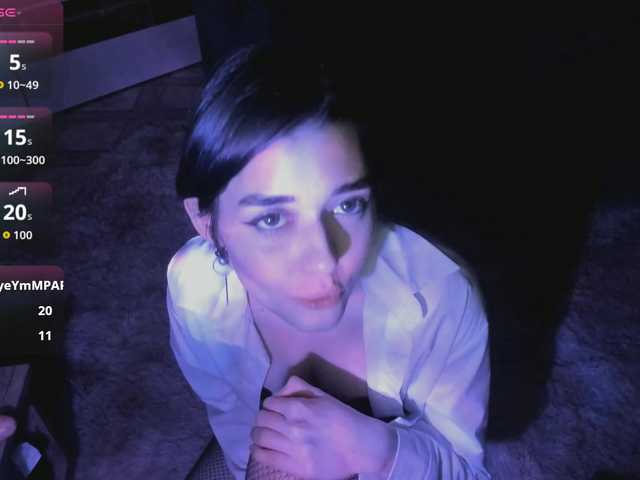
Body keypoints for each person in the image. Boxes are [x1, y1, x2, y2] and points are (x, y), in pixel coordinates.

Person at [167, 43, 491, 479]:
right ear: (205, 223)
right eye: (272, 219)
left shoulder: (440, 301)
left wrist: (380, 452)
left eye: (346, 205)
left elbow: (466, 471)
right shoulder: (194, 295)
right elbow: (233, 422)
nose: (325, 260)